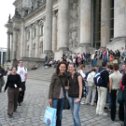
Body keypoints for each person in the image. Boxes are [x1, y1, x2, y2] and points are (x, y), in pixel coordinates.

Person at [48, 61, 68, 126]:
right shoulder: (55, 75)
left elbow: (66, 85)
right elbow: (51, 86)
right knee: (54, 113)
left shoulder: (65, 76)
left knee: (60, 114)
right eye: (61, 67)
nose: (63, 68)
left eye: (64, 67)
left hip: (62, 98)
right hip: (55, 98)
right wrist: (50, 97)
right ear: (59, 67)